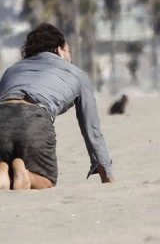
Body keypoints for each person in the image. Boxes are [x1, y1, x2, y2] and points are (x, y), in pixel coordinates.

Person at [0, 23, 115, 190]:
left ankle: (3, 170)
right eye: (68, 50)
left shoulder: (11, 70)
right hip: (35, 118)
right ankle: (28, 176)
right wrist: (107, 177)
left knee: (6, 168)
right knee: (46, 180)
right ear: (59, 50)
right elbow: (92, 131)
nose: (70, 56)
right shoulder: (76, 74)